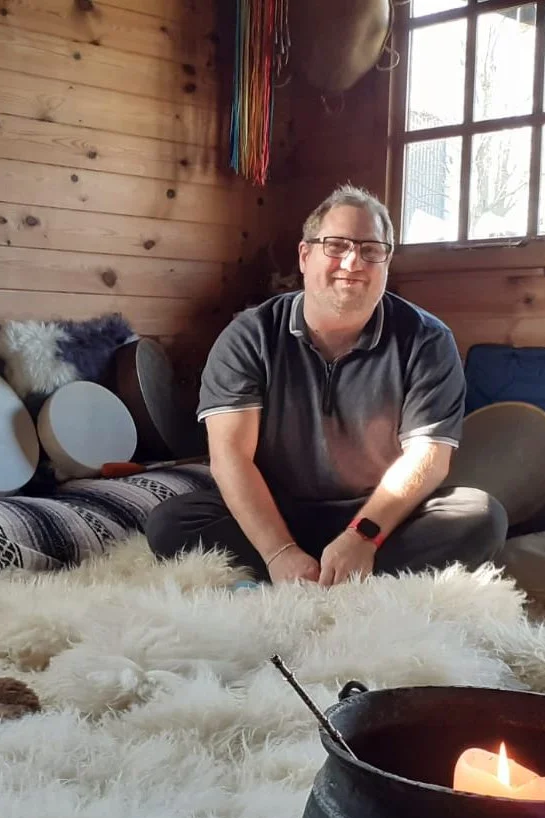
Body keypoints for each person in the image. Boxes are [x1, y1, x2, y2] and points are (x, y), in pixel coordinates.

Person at [146, 185, 508, 586]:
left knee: (479, 516)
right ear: (305, 256)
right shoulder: (249, 335)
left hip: (377, 513)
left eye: (371, 249)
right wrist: (278, 552)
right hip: (276, 509)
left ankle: (338, 573)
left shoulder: (427, 340)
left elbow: (428, 460)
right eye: (336, 246)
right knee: (170, 523)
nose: (353, 261)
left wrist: (361, 536)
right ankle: (319, 574)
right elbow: (231, 456)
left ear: (387, 261)